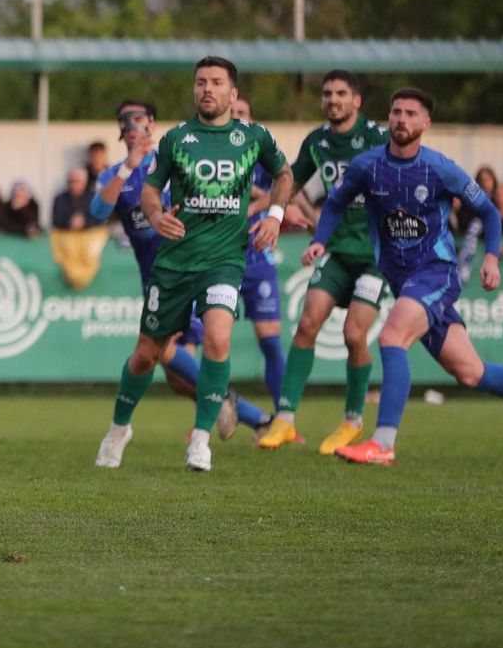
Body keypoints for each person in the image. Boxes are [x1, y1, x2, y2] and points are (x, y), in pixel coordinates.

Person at [306, 88, 503, 465]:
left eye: (411, 114)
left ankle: (384, 443)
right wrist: (319, 241)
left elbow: (489, 212)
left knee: (392, 336)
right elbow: (337, 202)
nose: (401, 119)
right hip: (402, 280)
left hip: (436, 272)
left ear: (425, 123)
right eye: (396, 112)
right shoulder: (367, 165)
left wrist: (491, 257)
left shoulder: (440, 168)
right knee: (471, 373)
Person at [95, 57, 292, 473]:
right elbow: (148, 192)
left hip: (223, 261)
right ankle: (118, 429)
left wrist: (275, 216)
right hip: (171, 266)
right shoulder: (177, 139)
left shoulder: (254, 137)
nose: (207, 89)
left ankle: (200, 443)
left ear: (232, 93)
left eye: (217, 83)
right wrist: (155, 215)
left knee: (218, 341)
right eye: (201, 82)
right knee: (148, 355)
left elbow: (284, 175)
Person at [261, 70, 391, 452]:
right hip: (334, 251)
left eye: (340, 93)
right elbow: (289, 181)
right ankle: (284, 419)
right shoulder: (317, 141)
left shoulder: (376, 137)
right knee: (307, 324)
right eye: (327, 93)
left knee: (354, 335)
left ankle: (352, 421)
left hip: (374, 257)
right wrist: (279, 213)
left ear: (357, 100)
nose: (332, 99)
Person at [230, 95, 287, 415]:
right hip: (220, 257)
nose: (238, 117)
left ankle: (283, 418)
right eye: (233, 112)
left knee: (270, 342)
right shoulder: (209, 152)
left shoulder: (264, 156)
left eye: (243, 113)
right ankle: (205, 421)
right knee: (211, 342)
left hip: (258, 260)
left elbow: (284, 188)